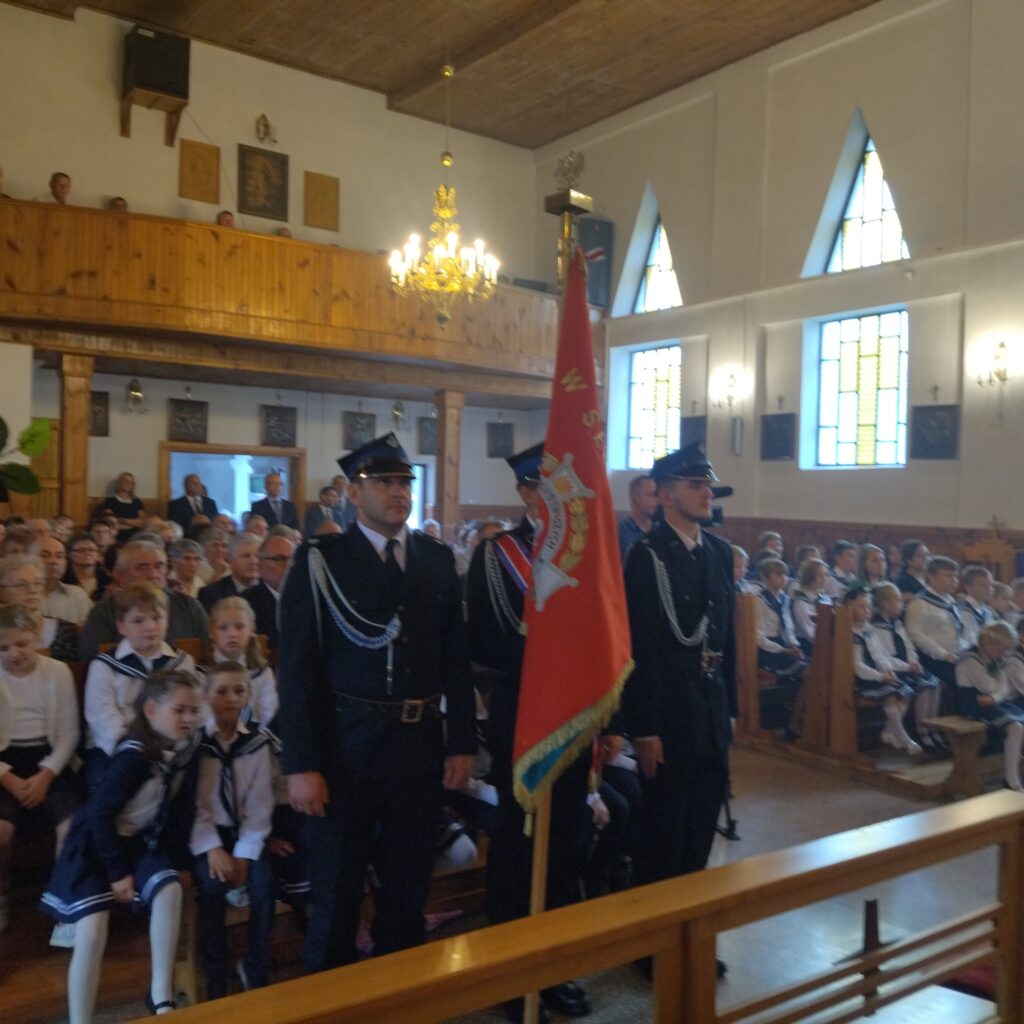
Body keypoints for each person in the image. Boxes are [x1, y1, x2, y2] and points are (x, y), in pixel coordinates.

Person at [276, 433, 476, 973]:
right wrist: (301, 764)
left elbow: (455, 660)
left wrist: (461, 742)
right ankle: (330, 1003)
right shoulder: (322, 560)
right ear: (353, 492)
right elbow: (296, 671)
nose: (397, 492)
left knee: (408, 889)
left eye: (404, 482)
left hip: (417, 744)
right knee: (337, 893)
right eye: (383, 482)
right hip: (346, 747)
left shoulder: (435, 558)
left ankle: (396, 997)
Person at [466, 443, 595, 1021]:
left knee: (566, 845)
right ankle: (512, 974)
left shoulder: (586, 553)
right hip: (522, 720)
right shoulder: (498, 555)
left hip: (575, 723)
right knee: (518, 850)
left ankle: (555, 966)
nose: (559, 496)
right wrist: (547, 666)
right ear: (524, 492)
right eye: (545, 487)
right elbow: (484, 643)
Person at [622, 441, 736, 984]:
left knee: (699, 832)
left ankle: (690, 935)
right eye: (695, 485)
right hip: (668, 713)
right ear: (665, 495)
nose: (706, 493)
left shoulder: (718, 552)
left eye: (707, 484)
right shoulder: (647, 558)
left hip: (709, 708)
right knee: (662, 836)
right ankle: (652, 946)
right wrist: (643, 728)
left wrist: (731, 710)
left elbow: (727, 640)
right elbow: (640, 649)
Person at [40, 669, 202, 1021]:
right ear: (151, 711)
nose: (189, 719)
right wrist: (118, 874)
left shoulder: (183, 751)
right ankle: (80, 1018)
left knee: (170, 888)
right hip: (94, 846)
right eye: (179, 710)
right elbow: (99, 815)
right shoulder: (134, 756)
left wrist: (181, 862)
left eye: (194, 710)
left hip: (134, 842)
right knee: (91, 932)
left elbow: (180, 812)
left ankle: (160, 993)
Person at [190, 661, 277, 997]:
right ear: (206, 696)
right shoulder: (196, 744)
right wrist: (212, 847)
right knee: (211, 888)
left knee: (264, 885)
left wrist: (244, 853)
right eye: (221, 691)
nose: (231, 698)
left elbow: (260, 804)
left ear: (248, 696)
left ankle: (255, 965)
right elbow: (191, 805)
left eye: (239, 691)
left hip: (245, 834)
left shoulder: (256, 744)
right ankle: (216, 970)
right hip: (205, 836)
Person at [0, 605, 81, 935]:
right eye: (3, 647)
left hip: (49, 758)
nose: (14, 653)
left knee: (71, 824)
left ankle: (63, 898)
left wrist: (46, 775)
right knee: (1, 830)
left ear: (35, 638)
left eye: (22, 644)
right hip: (5, 763)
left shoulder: (57, 671)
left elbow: (68, 733)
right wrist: (8, 779)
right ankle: (1, 893)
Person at [83, 584, 196, 778]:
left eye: (157, 618)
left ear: (167, 620)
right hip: (117, 749)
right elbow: (102, 719)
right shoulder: (104, 666)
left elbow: (188, 710)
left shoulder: (182, 662)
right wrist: (134, 750)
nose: (150, 627)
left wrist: (169, 746)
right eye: (138, 620)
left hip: (170, 745)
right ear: (121, 626)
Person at [78, 540, 208, 661]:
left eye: (159, 566)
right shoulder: (104, 611)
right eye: (142, 568)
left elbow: (207, 653)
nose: (153, 575)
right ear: (120, 575)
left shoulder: (189, 606)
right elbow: (91, 657)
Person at [845, 585, 920, 755]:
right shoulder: (848, 632)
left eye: (868, 607)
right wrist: (880, 676)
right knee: (891, 695)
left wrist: (888, 670)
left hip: (878, 675)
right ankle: (905, 739)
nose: (867, 611)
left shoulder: (868, 629)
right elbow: (857, 665)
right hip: (862, 678)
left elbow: (879, 655)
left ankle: (888, 732)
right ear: (849, 608)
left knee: (906, 693)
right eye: (861, 607)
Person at [871, 582, 943, 751]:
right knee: (921, 687)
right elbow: (883, 655)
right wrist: (906, 666)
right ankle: (922, 731)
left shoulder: (897, 623)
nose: (902, 605)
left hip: (907, 666)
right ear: (885, 604)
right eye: (898, 601)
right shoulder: (875, 626)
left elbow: (908, 645)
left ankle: (931, 728)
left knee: (934, 684)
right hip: (893, 669)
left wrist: (913, 661)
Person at [956, 621, 1024, 791]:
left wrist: (995, 696)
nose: (1004, 654)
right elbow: (986, 685)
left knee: (1020, 723)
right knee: (1015, 728)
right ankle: (1011, 778)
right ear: (989, 643)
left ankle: (1014, 771)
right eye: (1001, 649)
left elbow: (1003, 687)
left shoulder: (994, 658)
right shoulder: (970, 659)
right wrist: (997, 687)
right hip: (972, 704)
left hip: (990, 702)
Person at [201, 597, 277, 727]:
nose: (232, 634)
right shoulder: (202, 672)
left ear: (252, 629)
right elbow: (203, 715)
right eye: (223, 628)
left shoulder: (261, 671)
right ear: (211, 631)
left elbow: (269, 714)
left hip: (256, 737)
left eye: (239, 627)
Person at [0, 554, 78, 662]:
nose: (32, 590)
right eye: (21, 585)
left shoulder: (66, 630)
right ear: (2, 591)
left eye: (37, 583)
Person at [904, 556, 965, 693]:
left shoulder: (950, 601)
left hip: (955, 656)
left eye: (956, 576)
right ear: (932, 576)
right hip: (933, 660)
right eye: (948, 576)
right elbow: (915, 634)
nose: (954, 580)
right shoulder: (920, 603)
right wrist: (943, 654)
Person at [241, 534, 295, 651]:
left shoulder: (307, 599)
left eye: (291, 560)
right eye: (279, 559)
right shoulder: (245, 604)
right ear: (259, 565)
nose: (288, 566)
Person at [755, 557, 805, 677]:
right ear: (765, 577)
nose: (784, 578)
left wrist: (793, 645)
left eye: (785, 574)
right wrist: (783, 650)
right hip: (768, 648)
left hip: (784, 643)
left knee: (813, 665)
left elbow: (788, 626)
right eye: (778, 574)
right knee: (806, 670)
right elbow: (758, 636)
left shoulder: (785, 598)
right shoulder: (759, 600)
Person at [33, 535, 92, 627]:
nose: (53, 561)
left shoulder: (77, 595)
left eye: (59, 556)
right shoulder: (19, 594)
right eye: (44, 555)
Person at [198, 533, 261, 612]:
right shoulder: (210, 594)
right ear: (230, 560)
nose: (253, 561)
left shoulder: (270, 589)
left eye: (258, 556)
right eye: (246, 556)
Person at [790, 557, 832, 656]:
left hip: (824, 642)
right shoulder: (801, 601)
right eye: (819, 575)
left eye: (826, 575)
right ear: (809, 576)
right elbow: (809, 633)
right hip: (808, 646)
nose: (824, 579)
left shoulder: (824, 597)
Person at [617, 474, 658, 562]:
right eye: (651, 495)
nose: (656, 500)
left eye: (656, 495)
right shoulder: (619, 532)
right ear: (636, 499)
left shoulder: (659, 530)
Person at [63, 532, 113, 602]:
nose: (87, 553)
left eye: (91, 550)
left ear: (98, 554)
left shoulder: (107, 580)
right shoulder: (63, 579)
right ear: (69, 554)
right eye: (81, 550)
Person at [100, 471, 146, 539]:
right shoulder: (110, 501)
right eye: (126, 481)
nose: (129, 484)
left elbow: (143, 522)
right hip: (117, 536)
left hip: (136, 536)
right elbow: (111, 522)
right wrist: (133, 524)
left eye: (131, 482)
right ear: (119, 482)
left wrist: (123, 520)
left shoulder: (137, 502)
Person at [959, 566, 995, 648]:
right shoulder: (964, 610)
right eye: (984, 586)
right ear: (969, 588)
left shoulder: (987, 611)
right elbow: (968, 639)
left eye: (991, 585)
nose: (990, 589)